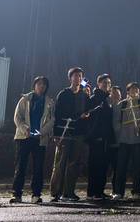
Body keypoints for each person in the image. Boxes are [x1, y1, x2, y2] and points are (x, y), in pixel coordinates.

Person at [11, 75, 55, 204]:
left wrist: (44, 131)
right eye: (39, 83)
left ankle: (36, 194)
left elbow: (52, 120)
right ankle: (17, 194)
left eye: (44, 84)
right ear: (34, 85)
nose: (42, 86)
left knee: (38, 168)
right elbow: (17, 117)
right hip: (24, 137)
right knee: (20, 166)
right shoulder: (25, 100)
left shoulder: (49, 102)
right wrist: (25, 129)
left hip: (40, 138)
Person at [50, 67, 90, 202]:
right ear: (69, 78)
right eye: (75, 76)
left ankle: (69, 192)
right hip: (64, 132)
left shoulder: (84, 95)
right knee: (60, 163)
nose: (78, 78)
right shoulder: (63, 94)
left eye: (80, 76)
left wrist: (86, 116)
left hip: (78, 133)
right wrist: (56, 134)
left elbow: (88, 111)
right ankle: (56, 192)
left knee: (73, 164)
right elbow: (57, 115)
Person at [112, 81, 140, 200]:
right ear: (127, 91)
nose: (135, 91)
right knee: (121, 166)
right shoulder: (121, 104)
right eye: (132, 89)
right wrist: (120, 133)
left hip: (138, 140)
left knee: (138, 167)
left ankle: (136, 191)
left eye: (137, 89)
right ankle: (119, 191)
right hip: (124, 140)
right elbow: (116, 121)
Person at [85, 74, 113, 201]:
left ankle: (100, 190)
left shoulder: (108, 99)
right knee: (95, 165)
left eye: (108, 83)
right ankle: (92, 192)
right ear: (98, 83)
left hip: (106, 138)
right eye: (104, 82)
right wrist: (97, 136)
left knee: (103, 166)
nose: (106, 85)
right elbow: (92, 119)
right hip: (97, 138)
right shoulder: (94, 98)